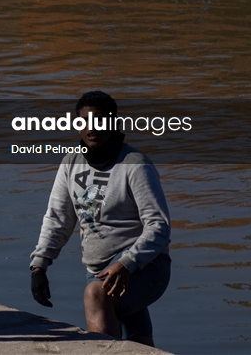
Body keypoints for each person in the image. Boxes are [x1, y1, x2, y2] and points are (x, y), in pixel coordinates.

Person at [29, 91, 171, 348]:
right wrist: (40, 265)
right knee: (139, 343)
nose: (90, 128)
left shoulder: (135, 165)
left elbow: (159, 226)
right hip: (97, 269)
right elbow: (58, 218)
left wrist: (127, 264)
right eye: (83, 122)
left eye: (98, 121)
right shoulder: (71, 162)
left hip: (145, 267)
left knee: (96, 295)